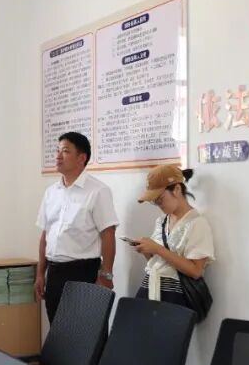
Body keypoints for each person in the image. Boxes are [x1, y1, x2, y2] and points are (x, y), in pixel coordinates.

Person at [35, 132, 118, 323]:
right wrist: (40, 273)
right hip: (54, 273)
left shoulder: (98, 191)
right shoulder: (51, 192)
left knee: (85, 332)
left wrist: (106, 275)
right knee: (58, 332)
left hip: (83, 272)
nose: (58, 156)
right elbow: (45, 235)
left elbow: (108, 234)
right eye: (57, 151)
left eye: (65, 151)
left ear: (82, 158)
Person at [131, 165, 214, 308]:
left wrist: (157, 249)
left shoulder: (197, 223)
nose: (158, 204)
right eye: (154, 201)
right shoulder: (161, 221)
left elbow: (196, 271)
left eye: (160, 198)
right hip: (151, 290)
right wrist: (147, 251)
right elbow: (160, 262)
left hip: (175, 299)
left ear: (177, 189)